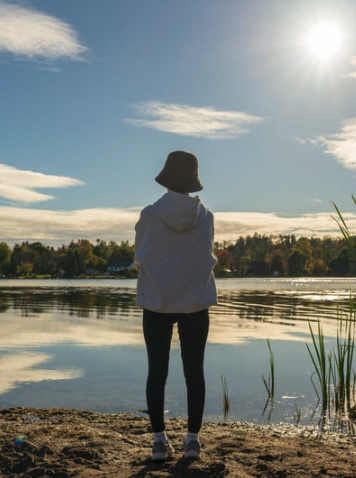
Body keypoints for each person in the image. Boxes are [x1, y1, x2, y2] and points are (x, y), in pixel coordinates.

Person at [134, 150, 217, 461]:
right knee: (194, 372)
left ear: (166, 178)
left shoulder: (149, 215)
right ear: (193, 182)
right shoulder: (206, 217)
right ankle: (192, 441)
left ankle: (158, 441)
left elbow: (140, 254)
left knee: (157, 371)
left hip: (157, 302)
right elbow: (204, 256)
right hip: (195, 302)